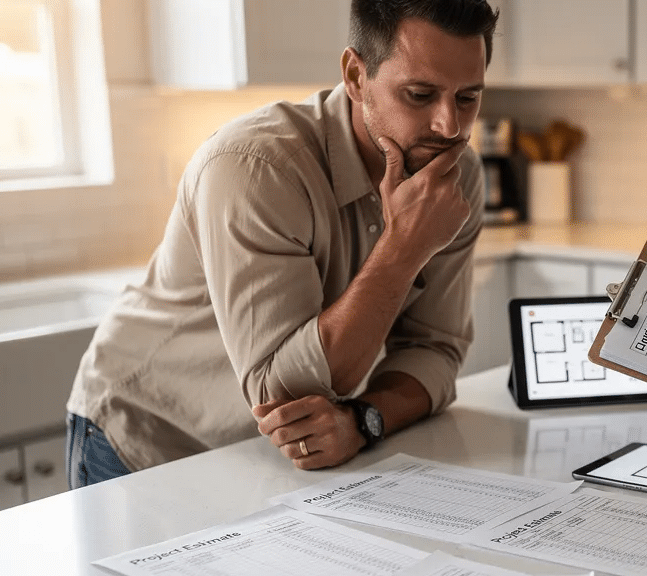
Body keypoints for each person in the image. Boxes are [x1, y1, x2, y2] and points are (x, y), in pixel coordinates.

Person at [65, 0, 498, 488]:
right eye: (419, 95)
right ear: (356, 76)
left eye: (467, 98)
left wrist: (362, 420)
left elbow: (436, 350)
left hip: (272, 453)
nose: (450, 126)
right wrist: (403, 250)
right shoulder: (253, 168)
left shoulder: (456, 178)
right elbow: (282, 393)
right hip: (148, 436)